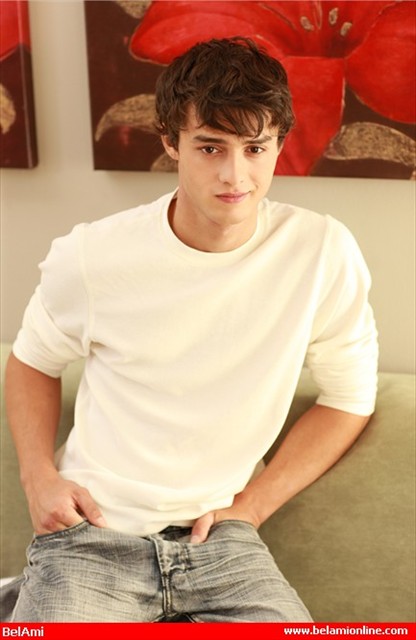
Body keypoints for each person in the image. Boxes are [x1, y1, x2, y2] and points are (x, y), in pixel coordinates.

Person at [2, 37, 378, 623]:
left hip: (220, 543)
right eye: (210, 147)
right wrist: (39, 479)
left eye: (255, 148)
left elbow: (349, 399)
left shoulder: (322, 252)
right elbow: (32, 360)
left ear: (279, 144)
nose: (235, 175)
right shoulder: (93, 255)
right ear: (170, 142)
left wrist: (252, 507)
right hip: (94, 533)